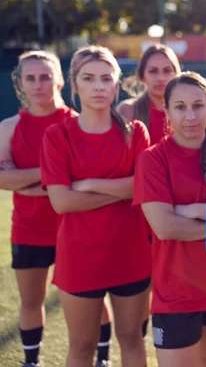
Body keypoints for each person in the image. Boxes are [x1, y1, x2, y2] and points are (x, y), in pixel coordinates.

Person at [40, 46, 151, 367]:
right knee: (82, 345)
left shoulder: (135, 132)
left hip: (130, 253)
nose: (99, 86)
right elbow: (61, 202)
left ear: (117, 85)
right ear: (74, 85)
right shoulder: (57, 135)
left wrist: (88, 185)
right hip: (79, 255)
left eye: (106, 78)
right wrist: (124, 191)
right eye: (89, 79)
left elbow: (141, 188)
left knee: (132, 339)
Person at [0, 50, 112, 367]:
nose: (38, 85)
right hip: (28, 229)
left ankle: (102, 358)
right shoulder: (9, 127)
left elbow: (85, 179)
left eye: (46, 77)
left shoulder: (78, 124)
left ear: (61, 80)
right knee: (30, 300)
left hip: (76, 228)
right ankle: (31, 361)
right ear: (20, 83)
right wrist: (52, 176)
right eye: (30, 78)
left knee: (93, 299)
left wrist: (22, 178)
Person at [134, 71, 206, 366]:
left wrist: (189, 210)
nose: (190, 116)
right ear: (166, 111)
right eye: (180, 107)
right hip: (175, 295)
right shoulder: (153, 159)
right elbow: (164, 227)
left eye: (197, 106)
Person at [117, 44, 181, 145]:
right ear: (142, 76)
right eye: (153, 71)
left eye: (167, 71)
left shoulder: (189, 112)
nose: (161, 78)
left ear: (177, 74)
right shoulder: (128, 110)